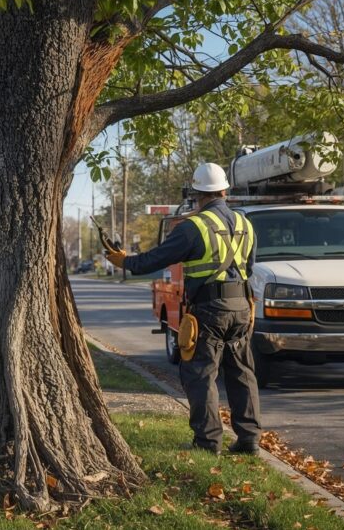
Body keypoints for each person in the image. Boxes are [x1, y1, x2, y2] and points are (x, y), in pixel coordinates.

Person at [106, 162, 262, 455]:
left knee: (201, 374)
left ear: (196, 193)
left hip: (209, 309)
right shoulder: (245, 223)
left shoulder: (192, 227)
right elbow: (249, 268)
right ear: (225, 190)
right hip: (242, 306)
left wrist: (125, 261)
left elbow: (155, 259)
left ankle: (208, 442)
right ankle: (249, 439)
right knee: (242, 372)